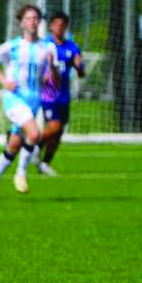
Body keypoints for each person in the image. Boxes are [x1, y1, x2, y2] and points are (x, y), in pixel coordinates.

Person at [0, 4, 58, 201]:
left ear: (39, 22)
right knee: (35, 133)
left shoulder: (47, 48)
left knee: (15, 143)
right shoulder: (12, 46)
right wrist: (4, 81)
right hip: (14, 99)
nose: (32, 22)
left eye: (35, 18)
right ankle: (21, 174)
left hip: (34, 101)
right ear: (21, 22)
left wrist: (52, 67)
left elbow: (54, 81)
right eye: (28, 18)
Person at [34, 10, 84, 176]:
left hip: (64, 95)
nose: (59, 27)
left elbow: (81, 72)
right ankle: (33, 147)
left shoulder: (72, 47)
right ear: (51, 26)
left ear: (66, 26)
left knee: (59, 132)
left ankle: (45, 164)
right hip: (49, 94)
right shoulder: (44, 45)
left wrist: (79, 66)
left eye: (62, 24)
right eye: (56, 23)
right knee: (54, 126)